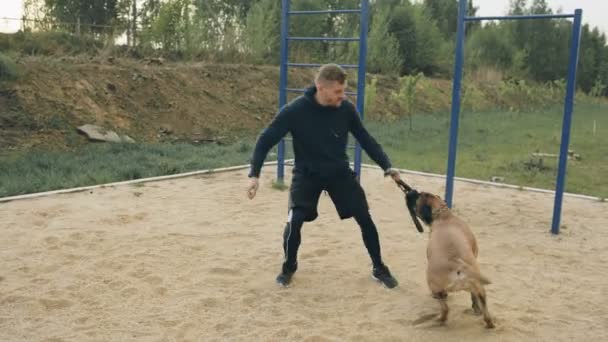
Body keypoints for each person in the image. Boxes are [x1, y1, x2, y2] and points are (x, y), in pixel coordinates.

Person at [246, 63, 403, 288]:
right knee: (295, 221)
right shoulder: (295, 111)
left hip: (338, 172)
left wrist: (387, 166)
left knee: (365, 217)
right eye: (338, 91)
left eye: (344, 91)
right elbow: (265, 139)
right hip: (307, 174)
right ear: (321, 88)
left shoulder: (346, 110)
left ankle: (379, 267)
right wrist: (254, 174)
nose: (343, 96)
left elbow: (366, 139)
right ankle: (289, 266)